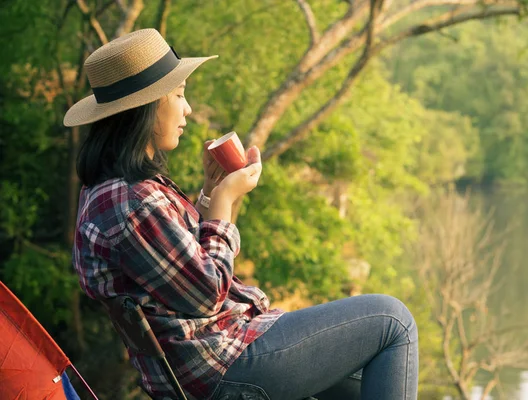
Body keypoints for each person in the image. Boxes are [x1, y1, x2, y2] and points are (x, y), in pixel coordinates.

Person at [66, 28, 418, 400]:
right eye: (179, 95)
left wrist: (209, 193)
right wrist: (225, 202)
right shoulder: (130, 202)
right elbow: (206, 292)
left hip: (210, 361)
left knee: (361, 387)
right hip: (220, 365)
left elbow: (179, 266)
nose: (187, 109)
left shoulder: (115, 191)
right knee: (394, 320)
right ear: (145, 109)